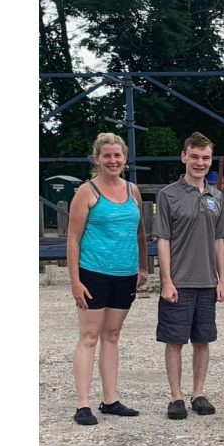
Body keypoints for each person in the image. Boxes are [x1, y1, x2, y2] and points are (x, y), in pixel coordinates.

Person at [66, 133, 148, 425]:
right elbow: (73, 238)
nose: (113, 161)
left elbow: (140, 233)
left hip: (124, 274)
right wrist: (75, 280)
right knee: (89, 337)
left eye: (117, 156)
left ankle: (110, 399)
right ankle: (83, 404)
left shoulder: (132, 190)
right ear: (97, 159)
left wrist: (142, 268)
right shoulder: (87, 192)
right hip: (94, 272)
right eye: (107, 156)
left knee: (112, 336)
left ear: (125, 158)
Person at [152, 132, 224, 420]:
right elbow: (162, 239)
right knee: (174, 340)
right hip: (179, 281)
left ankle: (198, 393)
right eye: (195, 156)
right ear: (184, 156)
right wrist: (166, 280)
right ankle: (176, 397)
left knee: (203, 340)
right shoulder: (168, 195)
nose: (200, 162)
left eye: (205, 157)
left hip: (207, 282)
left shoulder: (216, 196)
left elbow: (219, 239)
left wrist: (222, 279)